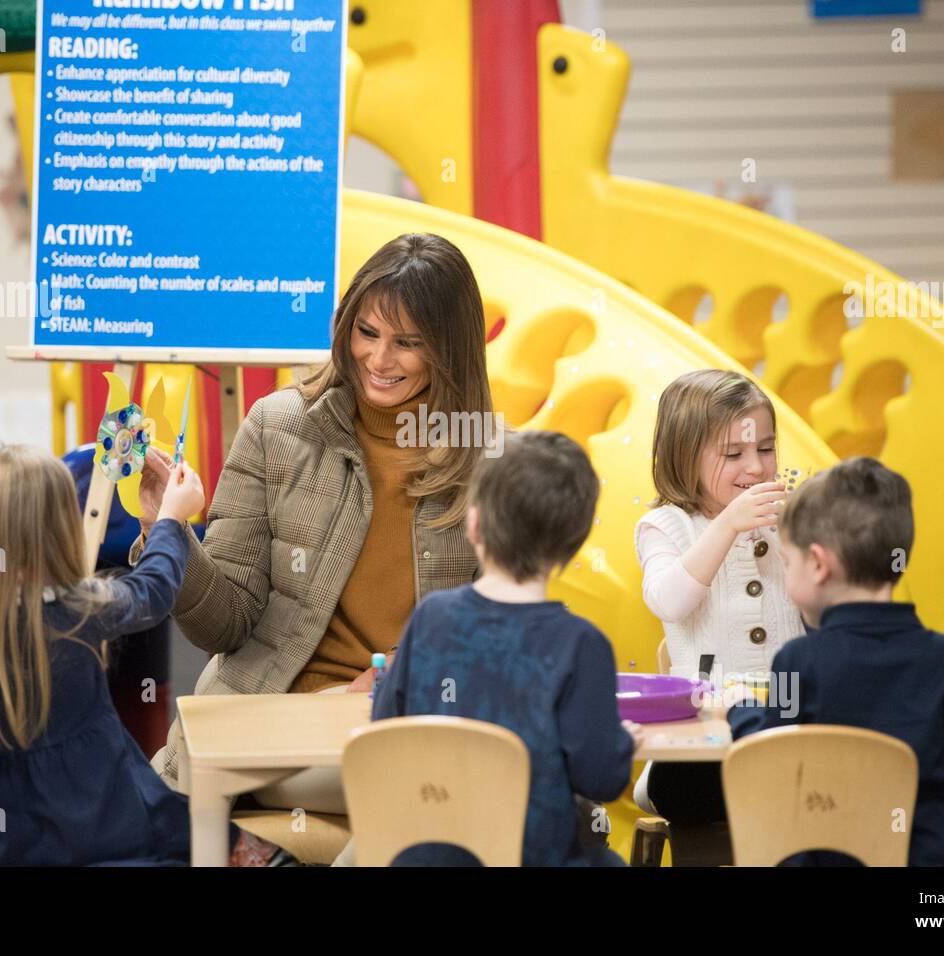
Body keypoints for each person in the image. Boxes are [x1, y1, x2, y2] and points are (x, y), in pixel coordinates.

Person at [134, 234, 491, 817]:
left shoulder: (488, 458)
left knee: (478, 789)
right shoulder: (278, 427)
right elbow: (224, 625)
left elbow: (506, 630)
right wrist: (168, 532)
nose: (379, 359)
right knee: (428, 800)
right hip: (279, 725)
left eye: (408, 343)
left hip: (420, 725)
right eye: (367, 333)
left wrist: (408, 673)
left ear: (451, 350)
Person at [0, 444, 289, 865]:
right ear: (55, 531)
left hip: (18, 850)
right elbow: (152, 590)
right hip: (112, 839)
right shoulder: (72, 616)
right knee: (242, 848)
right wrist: (169, 519)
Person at [728, 457, 944, 866]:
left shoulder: (793, 662)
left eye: (787, 561)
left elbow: (773, 760)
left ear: (817, 564)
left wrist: (741, 706)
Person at [372, 430, 640, 866]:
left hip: (424, 855)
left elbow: (386, 729)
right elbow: (601, 780)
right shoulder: (582, 644)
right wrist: (623, 744)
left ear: (473, 524)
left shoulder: (430, 618)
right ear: (572, 545)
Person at [632, 370, 804, 858]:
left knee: (828, 771)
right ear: (685, 458)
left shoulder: (787, 518)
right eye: (734, 454)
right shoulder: (666, 525)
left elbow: (824, 610)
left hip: (782, 723)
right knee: (692, 792)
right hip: (702, 738)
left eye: (766, 449)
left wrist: (800, 541)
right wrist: (728, 524)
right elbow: (669, 600)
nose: (755, 466)